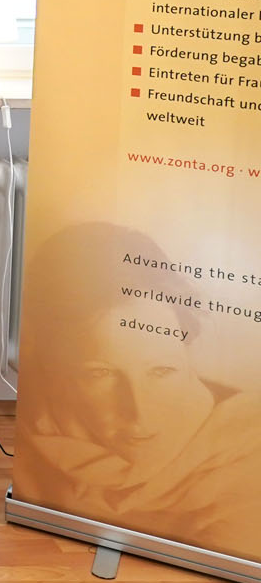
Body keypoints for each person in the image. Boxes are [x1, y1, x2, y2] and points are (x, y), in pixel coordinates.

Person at [13, 223, 261, 563]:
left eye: (162, 371)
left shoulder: (246, 461)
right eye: (99, 374)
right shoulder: (37, 431)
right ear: (52, 365)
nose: (140, 414)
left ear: (188, 350)